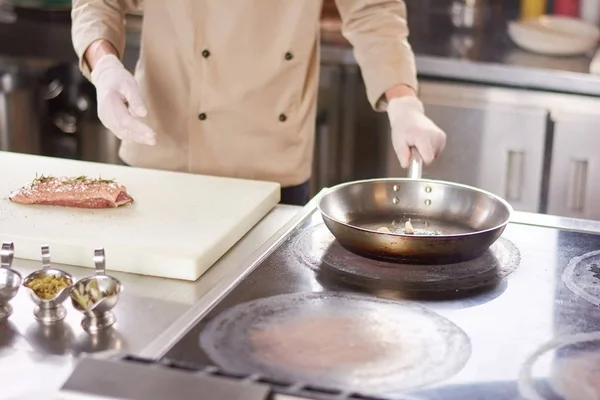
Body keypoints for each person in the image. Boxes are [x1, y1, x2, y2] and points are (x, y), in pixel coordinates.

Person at [71, 0, 446, 206]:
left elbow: (373, 10)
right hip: (164, 152)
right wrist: (103, 64)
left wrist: (403, 102)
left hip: (270, 168)